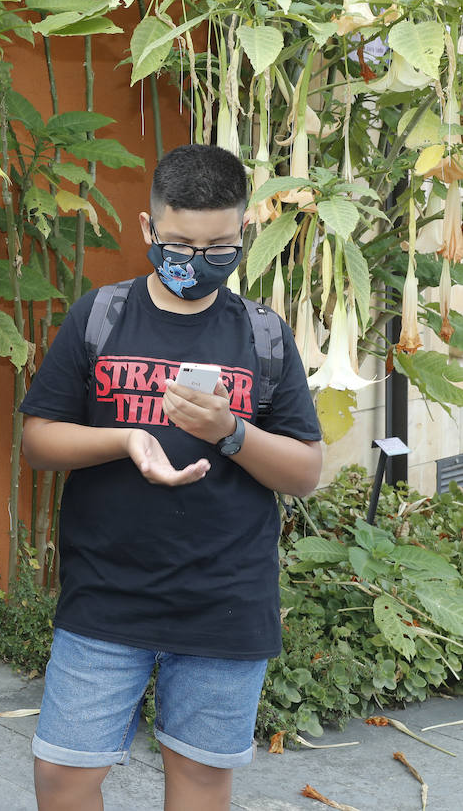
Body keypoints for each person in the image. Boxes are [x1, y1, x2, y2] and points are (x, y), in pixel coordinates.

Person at [20, 144, 323, 811]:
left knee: (201, 779)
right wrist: (126, 439)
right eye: (180, 244)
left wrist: (231, 431)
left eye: (219, 248)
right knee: (63, 777)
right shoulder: (100, 316)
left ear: (244, 232)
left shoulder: (263, 335)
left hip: (225, 601)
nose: (197, 260)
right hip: (105, 596)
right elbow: (38, 441)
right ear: (148, 228)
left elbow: (305, 470)